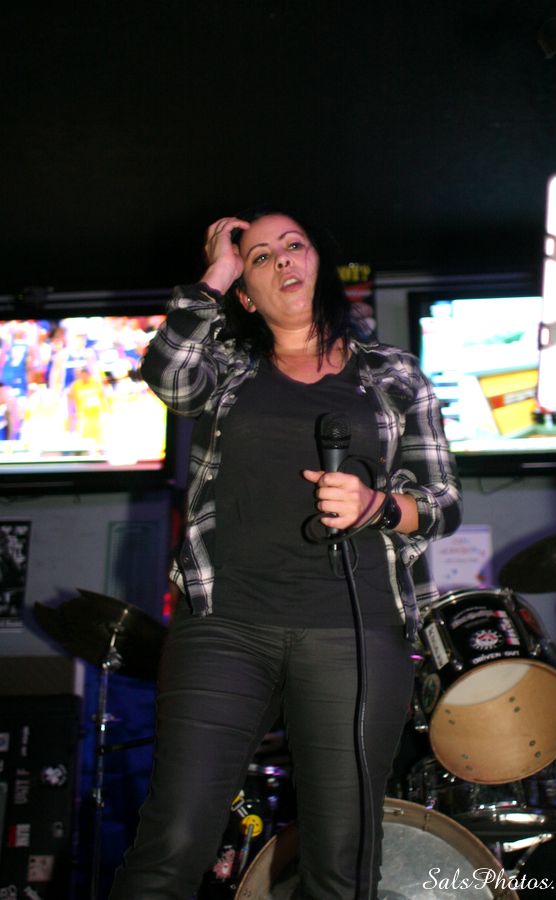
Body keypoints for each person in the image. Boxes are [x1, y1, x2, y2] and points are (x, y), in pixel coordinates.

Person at [108, 208, 462, 900]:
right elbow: (169, 375)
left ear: (318, 264)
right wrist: (217, 268)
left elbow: (441, 501)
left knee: (342, 861)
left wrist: (377, 505)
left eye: (293, 246)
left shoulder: (393, 374)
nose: (282, 261)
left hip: (355, 629)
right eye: (261, 257)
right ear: (246, 293)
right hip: (226, 623)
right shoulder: (227, 369)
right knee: (171, 843)